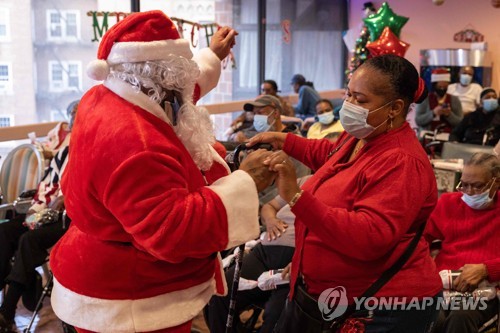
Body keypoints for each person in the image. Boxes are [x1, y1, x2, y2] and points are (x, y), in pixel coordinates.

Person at [48, 11, 276, 333]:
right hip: (133, 303)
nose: (187, 91)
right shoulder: (135, 141)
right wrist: (247, 181)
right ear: (164, 79)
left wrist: (213, 55)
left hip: (105, 272)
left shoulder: (109, 95)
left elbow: (185, 92)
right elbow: (173, 230)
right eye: (181, 77)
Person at [248, 54, 442, 332]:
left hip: (380, 308)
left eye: (360, 100)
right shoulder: (362, 135)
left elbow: (368, 237)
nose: (349, 106)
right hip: (326, 294)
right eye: (348, 95)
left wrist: (296, 196)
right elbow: (330, 156)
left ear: (395, 107)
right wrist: (284, 140)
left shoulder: (401, 161)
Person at [0, 100, 78, 333]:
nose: (74, 120)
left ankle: (8, 311)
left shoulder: (91, 150)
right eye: (72, 115)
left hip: (69, 219)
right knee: (5, 231)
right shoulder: (63, 152)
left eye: (78, 115)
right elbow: (46, 183)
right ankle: (20, 285)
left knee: (28, 240)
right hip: (44, 213)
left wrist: (65, 199)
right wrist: (39, 207)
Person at [206, 176, 310, 333]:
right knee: (221, 293)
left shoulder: (340, 188)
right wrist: (270, 219)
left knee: (276, 319)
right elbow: (269, 206)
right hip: (266, 250)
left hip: (298, 258)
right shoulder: (306, 180)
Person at [424, 153, 499, 333]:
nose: (469, 192)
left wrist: (486, 269)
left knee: (461, 315)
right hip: (444, 283)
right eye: (464, 185)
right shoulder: (449, 203)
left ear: (496, 183)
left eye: (477, 186)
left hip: (484, 289)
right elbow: (420, 239)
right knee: (431, 316)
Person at [240, 95, 310, 204]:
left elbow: (298, 184)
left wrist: (261, 206)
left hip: (276, 207)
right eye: (255, 114)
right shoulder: (256, 141)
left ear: (276, 113)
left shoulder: (296, 145)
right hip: (250, 202)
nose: (256, 118)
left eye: (261, 113)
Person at [415, 68, 463, 134]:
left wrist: (449, 115)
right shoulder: (425, 99)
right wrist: (433, 113)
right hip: (428, 135)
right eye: (440, 87)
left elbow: (461, 123)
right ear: (434, 86)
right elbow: (418, 120)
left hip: (449, 136)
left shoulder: (454, 100)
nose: (442, 89)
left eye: (444, 87)